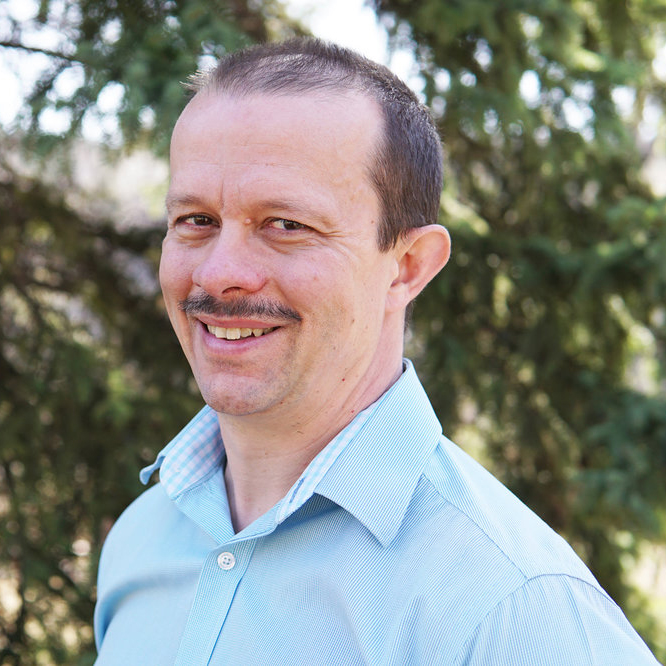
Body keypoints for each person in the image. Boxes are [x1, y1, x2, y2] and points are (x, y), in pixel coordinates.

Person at [93, 39, 660, 665]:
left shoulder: (514, 607)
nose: (221, 272)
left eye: (286, 225)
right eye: (196, 220)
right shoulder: (140, 542)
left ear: (408, 267)